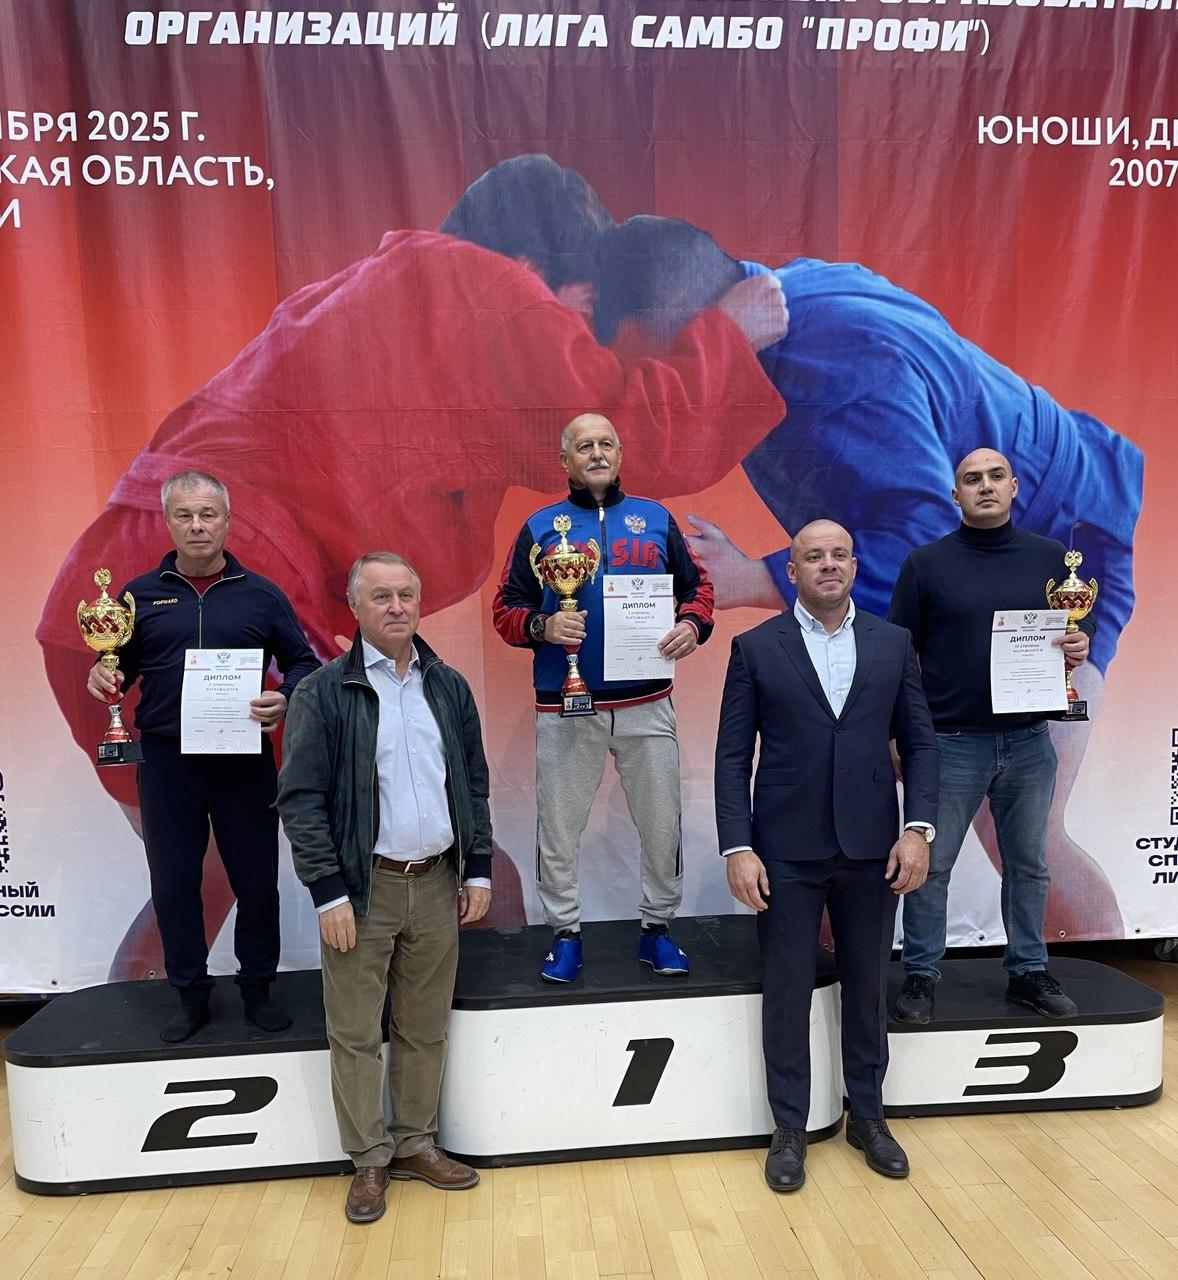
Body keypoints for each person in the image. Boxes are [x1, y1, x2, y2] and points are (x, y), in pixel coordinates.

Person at [36, 156, 786, 957]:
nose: (586, 338)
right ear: (531, 266)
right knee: (465, 870)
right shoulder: (489, 291)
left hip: (107, 608)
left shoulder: (358, 297)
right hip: (226, 611)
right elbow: (624, 433)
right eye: (581, 308)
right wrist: (729, 334)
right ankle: (485, 1032)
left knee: (200, 874)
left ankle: (145, 1038)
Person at [593, 212, 1143, 939]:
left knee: (1018, 823)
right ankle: (835, 986)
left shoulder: (833, 377)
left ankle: (1104, 999)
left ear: (705, 328)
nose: (669, 394)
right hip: (965, 564)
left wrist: (754, 579)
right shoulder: (783, 293)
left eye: (669, 372)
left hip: (1053, 548)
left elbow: (921, 541)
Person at [715, 520, 938, 1191]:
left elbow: (921, 745)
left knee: (868, 987)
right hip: (784, 850)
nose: (828, 564)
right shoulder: (756, 647)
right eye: (814, 556)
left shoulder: (893, 643)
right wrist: (738, 845)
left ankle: (869, 1116)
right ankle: (789, 1127)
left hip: (874, 847)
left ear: (854, 565)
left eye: (840, 554)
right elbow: (732, 756)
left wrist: (918, 829)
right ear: (792, 570)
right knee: (787, 990)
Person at [276, 553, 492, 1224]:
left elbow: (473, 782)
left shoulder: (448, 686)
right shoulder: (322, 692)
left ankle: (415, 1143)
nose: (396, 606)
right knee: (355, 1031)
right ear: (355, 607)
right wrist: (327, 891)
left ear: (419, 602)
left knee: (424, 1026)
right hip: (361, 890)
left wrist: (477, 866)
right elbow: (301, 799)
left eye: (405, 594)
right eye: (381, 596)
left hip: (436, 882)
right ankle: (368, 1159)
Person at [82, 470, 319, 1042]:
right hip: (168, 763)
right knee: (173, 884)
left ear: (226, 521)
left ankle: (257, 989)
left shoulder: (261, 594)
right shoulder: (137, 597)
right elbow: (119, 668)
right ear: (168, 522)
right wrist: (103, 675)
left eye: (208, 514)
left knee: (256, 883)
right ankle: (190, 994)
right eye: (184, 515)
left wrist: (285, 696)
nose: (197, 526)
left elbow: (304, 663)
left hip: (242, 760)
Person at [492, 413, 711, 982]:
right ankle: (564, 933)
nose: (596, 453)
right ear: (564, 460)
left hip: (647, 703)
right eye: (584, 445)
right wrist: (542, 627)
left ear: (620, 454)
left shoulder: (655, 519)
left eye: (606, 443)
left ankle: (657, 928)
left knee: (661, 825)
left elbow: (698, 588)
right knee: (558, 828)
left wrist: (692, 625)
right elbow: (505, 609)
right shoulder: (541, 526)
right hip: (567, 704)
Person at [888, 448, 1095, 1024]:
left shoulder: (1052, 559)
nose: (985, 486)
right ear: (955, 494)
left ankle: (1028, 969)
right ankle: (920, 974)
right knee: (931, 865)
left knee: (1028, 862)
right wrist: (897, 734)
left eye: (995, 476)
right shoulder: (925, 564)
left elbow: (1073, 630)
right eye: (972, 479)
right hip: (948, 742)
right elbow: (898, 656)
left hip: (1029, 740)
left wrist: (1079, 645)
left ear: (1014, 486)